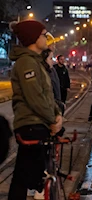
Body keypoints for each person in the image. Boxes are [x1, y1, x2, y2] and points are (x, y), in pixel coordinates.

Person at [8, 20, 62, 200]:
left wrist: (57, 114)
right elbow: (35, 98)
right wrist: (53, 119)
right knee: (26, 177)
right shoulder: (26, 63)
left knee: (27, 176)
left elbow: (47, 95)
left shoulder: (36, 62)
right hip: (31, 125)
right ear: (33, 38)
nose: (46, 38)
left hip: (40, 123)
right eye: (43, 34)